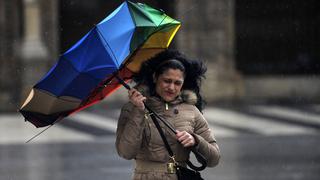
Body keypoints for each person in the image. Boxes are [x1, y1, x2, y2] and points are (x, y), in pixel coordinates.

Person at [116, 50, 220, 180]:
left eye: (177, 83)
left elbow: (214, 159)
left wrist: (196, 140)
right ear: (155, 77)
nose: (171, 87)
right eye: (167, 81)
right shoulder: (132, 108)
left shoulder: (191, 111)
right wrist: (138, 111)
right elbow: (125, 152)